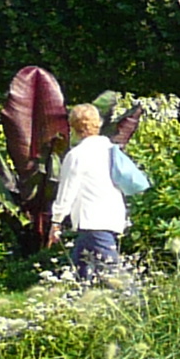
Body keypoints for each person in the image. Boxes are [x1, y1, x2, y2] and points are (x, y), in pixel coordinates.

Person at [49, 104, 128, 282]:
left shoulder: (77, 155)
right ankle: (82, 303)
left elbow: (66, 191)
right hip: (114, 216)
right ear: (98, 123)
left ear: (73, 127)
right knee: (81, 270)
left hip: (93, 220)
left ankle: (135, 305)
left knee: (114, 274)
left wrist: (56, 222)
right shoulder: (111, 150)